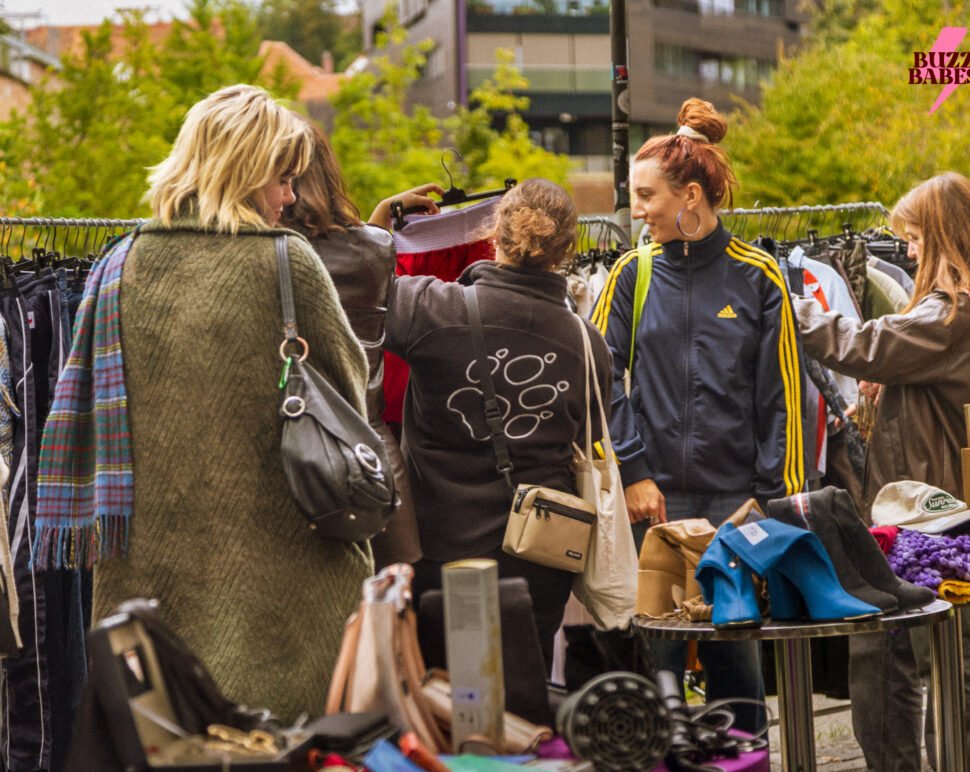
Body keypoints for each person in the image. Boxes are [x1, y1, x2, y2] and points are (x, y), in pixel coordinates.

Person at [34, 85, 373, 722]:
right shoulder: (285, 262)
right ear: (243, 171)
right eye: (283, 178)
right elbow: (348, 399)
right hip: (285, 579)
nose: (291, 197)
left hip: (151, 581)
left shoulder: (118, 265)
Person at [793, 171, 970, 772]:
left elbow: (860, 343)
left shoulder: (949, 313)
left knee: (896, 650)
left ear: (946, 236)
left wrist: (789, 301)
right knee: (955, 650)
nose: (911, 252)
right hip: (953, 504)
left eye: (916, 238)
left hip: (920, 509)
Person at [590, 97, 804, 734]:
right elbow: (601, 379)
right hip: (651, 501)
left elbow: (782, 398)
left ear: (689, 195)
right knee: (656, 667)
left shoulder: (760, 276)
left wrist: (771, 499)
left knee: (734, 661)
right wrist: (632, 472)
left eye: (646, 195)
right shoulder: (633, 272)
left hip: (734, 505)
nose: (637, 210)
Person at [384, 178, 612, 670]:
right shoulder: (586, 343)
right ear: (568, 249)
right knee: (522, 694)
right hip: (540, 550)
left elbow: (348, 287)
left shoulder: (428, 308)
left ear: (494, 233)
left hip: (439, 548)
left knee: (443, 696)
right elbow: (589, 438)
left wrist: (381, 226)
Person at [282, 123, 442, 567]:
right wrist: (381, 214)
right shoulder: (373, 251)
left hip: (301, 456)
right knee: (388, 612)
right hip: (372, 453)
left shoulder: (268, 257)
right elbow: (359, 260)